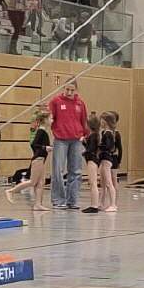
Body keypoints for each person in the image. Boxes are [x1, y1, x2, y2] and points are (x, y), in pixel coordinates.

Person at [48, 77, 89, 211]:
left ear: (76, 90)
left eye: (72, 90)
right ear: (63, 88)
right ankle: (58, 200)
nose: (69, 92)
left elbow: (84, 121)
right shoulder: (56, 101)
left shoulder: (80, 103)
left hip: (76, 140)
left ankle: (73, 200)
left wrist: (85, 135)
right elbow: (50, 117)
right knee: (58, 170)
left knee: (76, 171)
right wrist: (49, 119)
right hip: (61, 139)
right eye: (67, 89)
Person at [82, 112, 105, 213]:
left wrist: (84, 151)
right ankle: (94, 204)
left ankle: (94, 205)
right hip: (93, 160)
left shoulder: (93, 136)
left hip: (92, 160)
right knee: (93, 183)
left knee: (93, 183)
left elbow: (90, 149)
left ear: (89, 125)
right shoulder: (95, 135)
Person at [100, 111, 122, 212]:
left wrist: (119, 161)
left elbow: (118, 148)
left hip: (112, 158)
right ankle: (102, 202)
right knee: (104, 182)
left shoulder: (113, 133)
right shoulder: (104, 132)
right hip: (106, 158)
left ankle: (113, 203)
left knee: (112, 181)